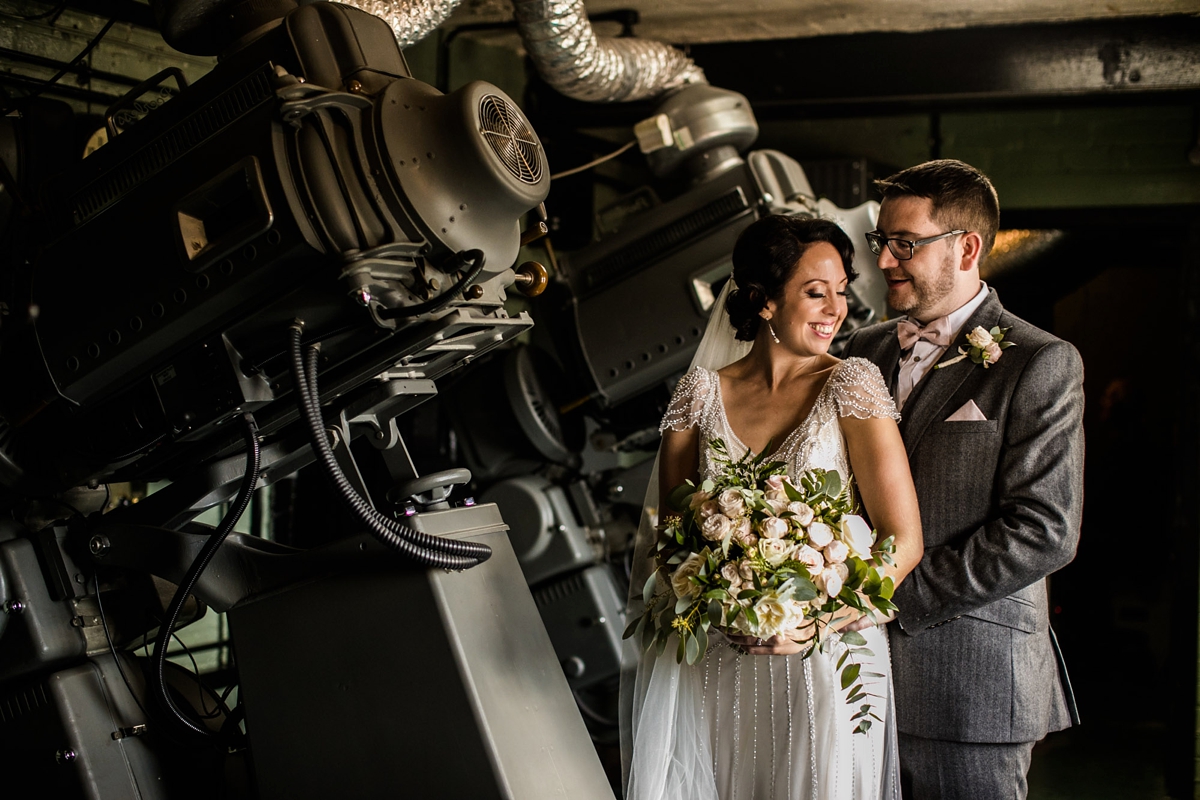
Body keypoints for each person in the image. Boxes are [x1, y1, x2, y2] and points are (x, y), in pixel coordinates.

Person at [623, 215, 924, 800]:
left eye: (842, 289)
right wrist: (718, 594)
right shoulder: (698, 395)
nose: (837, 308)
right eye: (817, 292)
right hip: (720, 656)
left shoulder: (851, 384)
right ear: (763, 302)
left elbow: (902, 539)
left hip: (826, 662)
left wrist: (818, 621)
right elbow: (671, 544)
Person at [842, 159, 1083, 799]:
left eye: (906, 244)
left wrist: (888, 592)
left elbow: (1044, 531)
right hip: (851, 681)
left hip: (970, 685)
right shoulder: (861, 352)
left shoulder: (1039, 362)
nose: (886, 261)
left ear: (967, 247)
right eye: (881, 243)